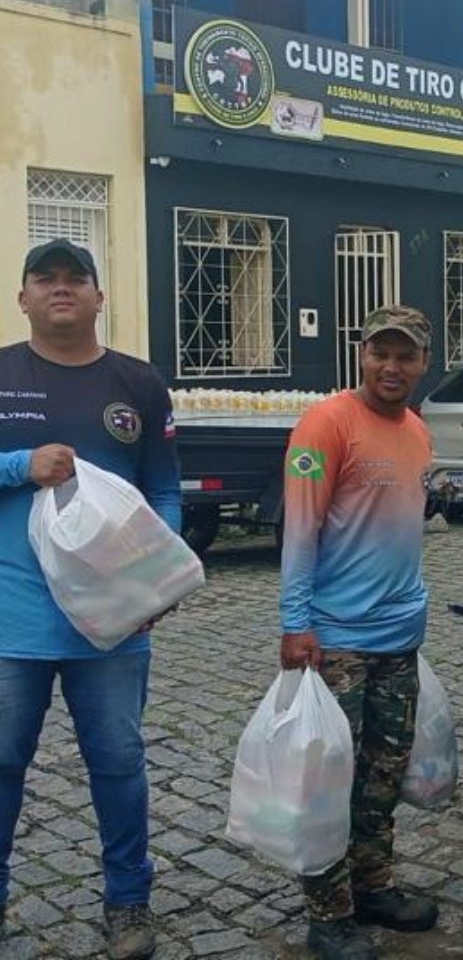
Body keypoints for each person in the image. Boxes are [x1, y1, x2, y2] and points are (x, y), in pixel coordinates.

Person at [0, 239, 181, 960]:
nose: (62, 288)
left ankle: (128, 902)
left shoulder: (137, 382)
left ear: (102, 298)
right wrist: (21, 464)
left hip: (112, 624)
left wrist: (158, 573)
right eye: (45, 278)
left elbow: (163, 483)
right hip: (13, 623)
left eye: (78, 278)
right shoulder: (1, 372)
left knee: (118, 763)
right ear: (23, 297)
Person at [278, 304, 440, 960]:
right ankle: (328, 912)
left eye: (406, 355)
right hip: (335, 640)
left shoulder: (420, 432)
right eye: (381, 352)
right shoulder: (325, 424)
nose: (392, 366)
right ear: (361, 353)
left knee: (382, 773)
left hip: (399, 635)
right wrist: (296, 624)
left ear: (424, 363)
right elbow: (299, 530)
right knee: (330, 779)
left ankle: (372, 883)